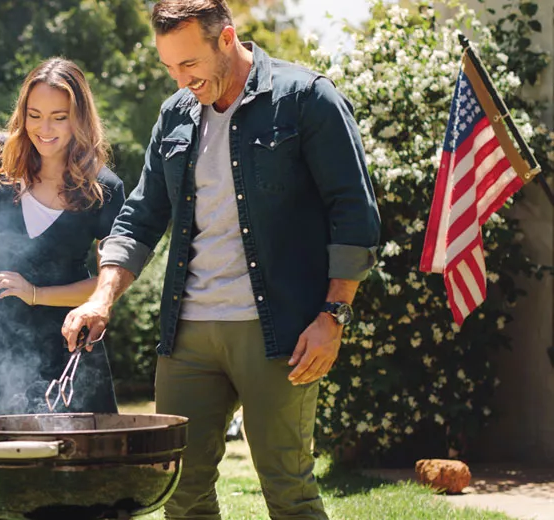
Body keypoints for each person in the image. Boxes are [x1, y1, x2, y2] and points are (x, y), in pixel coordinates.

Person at [62, 1, 381, 518]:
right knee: (179, 491)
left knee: (288, 489)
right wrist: (102, 297)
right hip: (187, 334)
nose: (180, 79)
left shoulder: (305, 99)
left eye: (189, 64)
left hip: (280, 332)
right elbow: (141, 216)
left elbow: (354, 211)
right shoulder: (175, 114)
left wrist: (334, 315)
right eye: (169, 66)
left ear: (227, 39)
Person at [0, 57, 125, 415]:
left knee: (78, 450)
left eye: (59, 117)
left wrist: (36, 294)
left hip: (68, 347)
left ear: (80, 118)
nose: (44, 128)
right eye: (35, 115)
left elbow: (110, 283)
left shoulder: (104, 188)